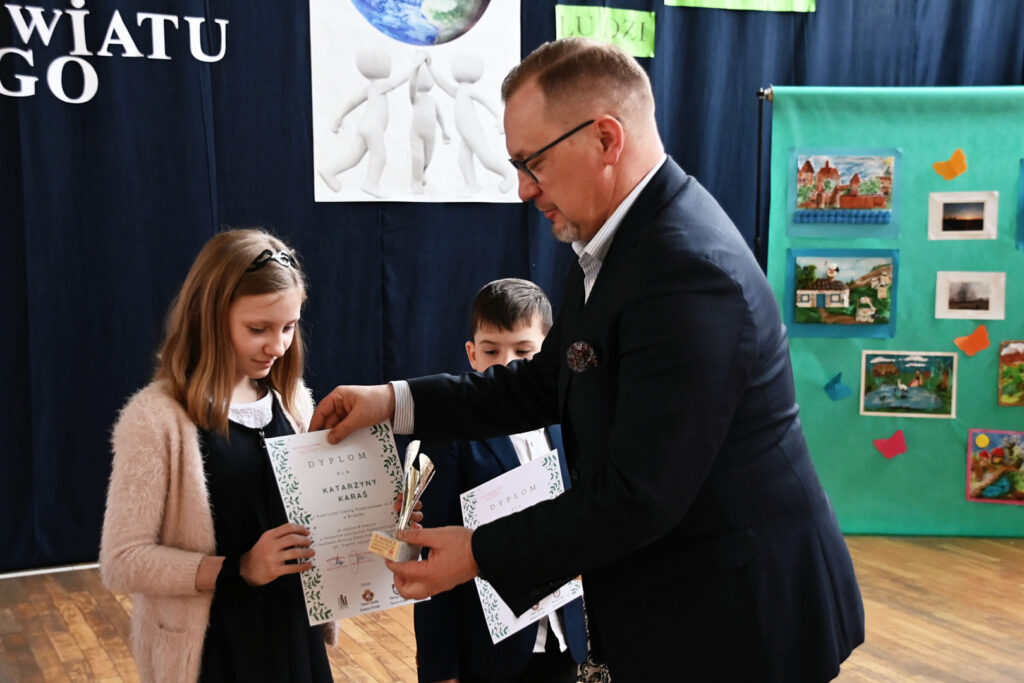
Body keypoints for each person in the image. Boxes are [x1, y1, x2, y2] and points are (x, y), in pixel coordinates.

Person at [311, 38, 865, 682]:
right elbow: (545, 383)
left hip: (739, 619)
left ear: (606, 139)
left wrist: (479, 551)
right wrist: (394, 401)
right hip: (682, 600)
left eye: (533, 162)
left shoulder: (689, 271)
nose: (523, 188)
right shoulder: (615, 241)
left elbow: (639, 495)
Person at [100, 229, 336, 682]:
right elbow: (121, 560)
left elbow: (317, 518)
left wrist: (375, 522)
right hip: (215, 651)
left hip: (295, 639)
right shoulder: (154, 418)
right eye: (258, 329)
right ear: (209, 316)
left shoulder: (294, 400)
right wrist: (240, 569)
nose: (278, 346)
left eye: (289, 327)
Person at [414, 278, 588, 683]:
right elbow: (433, 557)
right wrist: (441, 670)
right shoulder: (450, 439)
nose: (508, 363)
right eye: (492, 351)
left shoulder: (570, 424)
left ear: (548, 354)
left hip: (566, 642)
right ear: (472, 354)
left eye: (523, 351)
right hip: (491, 655)